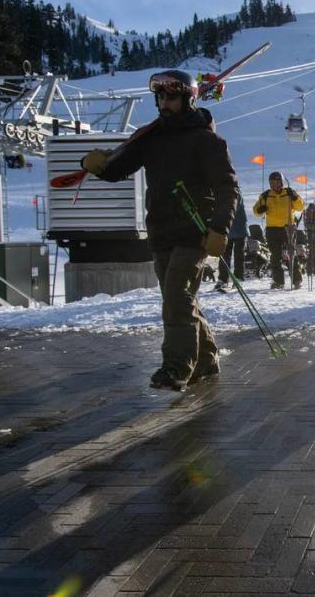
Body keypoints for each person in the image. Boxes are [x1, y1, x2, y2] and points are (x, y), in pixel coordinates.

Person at [80, 69, 238, 391]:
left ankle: (176, 368)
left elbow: (227, 188)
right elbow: (121, 167)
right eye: (161, 97)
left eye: (172, 97)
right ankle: (207, 360)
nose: (165, 103)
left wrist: (219, 228)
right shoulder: (151, 137)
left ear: (188, 99)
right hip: (162, 231)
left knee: (177, 297)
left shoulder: (205, 140)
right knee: (179, 299)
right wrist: (99, 166)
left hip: (196, 231)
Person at [253, 171, 304, 289]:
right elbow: (256, 211)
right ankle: (278, 281)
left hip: (288, 228)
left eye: (277, 182)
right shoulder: (265, 195)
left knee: (291, 254)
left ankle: (296, 280)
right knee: (275, 257)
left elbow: (300, 207)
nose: (274, 184)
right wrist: (260, 210)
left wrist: (294, 197)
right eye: (272, 182)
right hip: (272, 229)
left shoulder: (289, 193)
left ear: (281, 182)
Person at [216, 196, 248, 290]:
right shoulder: (221, 193)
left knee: (239, 255)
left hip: (240, 230)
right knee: (224, 255)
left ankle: (238, 278)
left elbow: (233, 208)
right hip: (227, 230)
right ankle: (223, 279)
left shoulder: (236, 195)